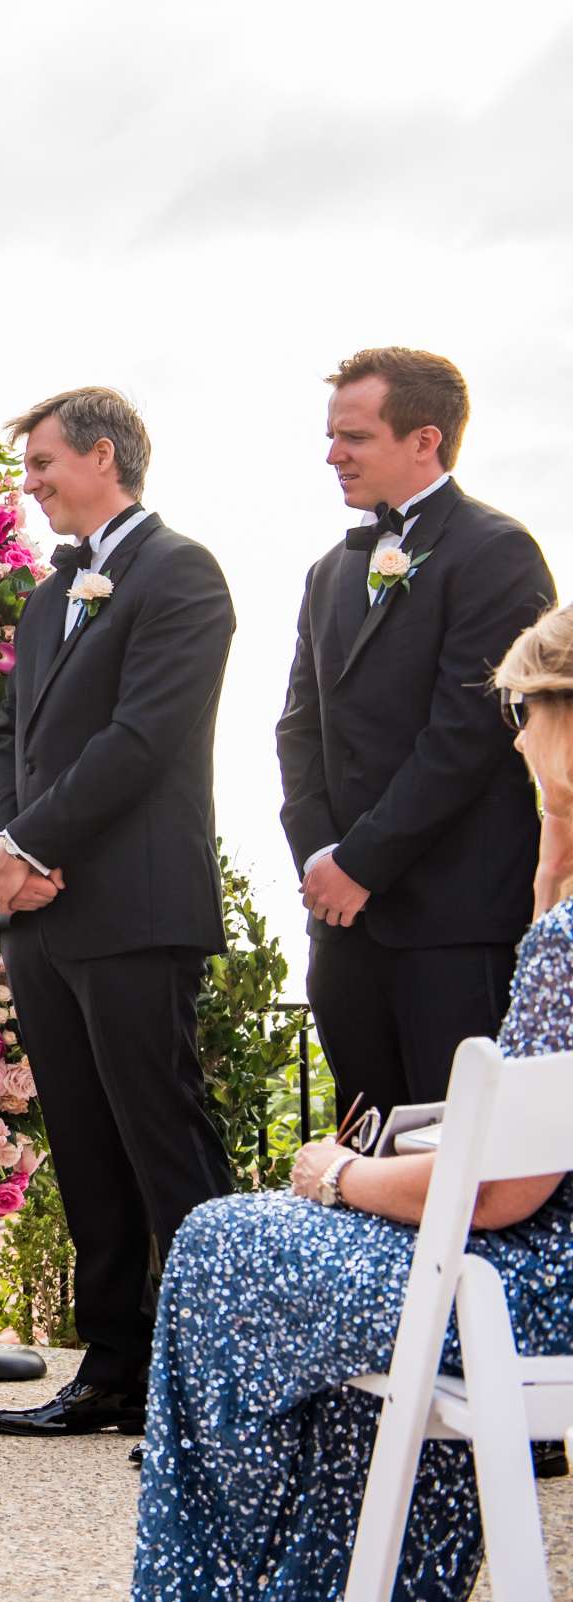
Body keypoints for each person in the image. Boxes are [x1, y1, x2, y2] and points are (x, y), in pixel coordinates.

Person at [132, 602, 573, 1601]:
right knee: (332, 1297)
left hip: (528, 1299)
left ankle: (221, 1581)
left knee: (221, 1243)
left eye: (519, 712)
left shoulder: (567, 941)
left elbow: (501, 1193)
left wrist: (341, 1173)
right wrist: (552, 852)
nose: (514, 736)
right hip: (532, 1282)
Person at [0, 387, 236, 1441]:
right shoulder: (47, 601)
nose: (29, 482)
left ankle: (214, 1384)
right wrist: (0, 846)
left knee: (163, 1142)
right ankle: (113, 1373)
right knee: (85, 1148)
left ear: (101, 453)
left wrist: (37, 843)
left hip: (134, 905)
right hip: (41, 920)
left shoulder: (182, 575)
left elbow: (143, 738)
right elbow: (5, 738)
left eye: (41, 462)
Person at [276, 347, 559, 1119]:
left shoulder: (497, 551)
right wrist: (320, 861)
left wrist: (363, 861)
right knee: (364, 1153)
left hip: (454, 927)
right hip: (343, 930)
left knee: (457, 1157)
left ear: (424, 440)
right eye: (332, 436)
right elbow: (299, 728)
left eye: (355, 437)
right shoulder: (328, 571)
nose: (333, 455)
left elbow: (465, 736)